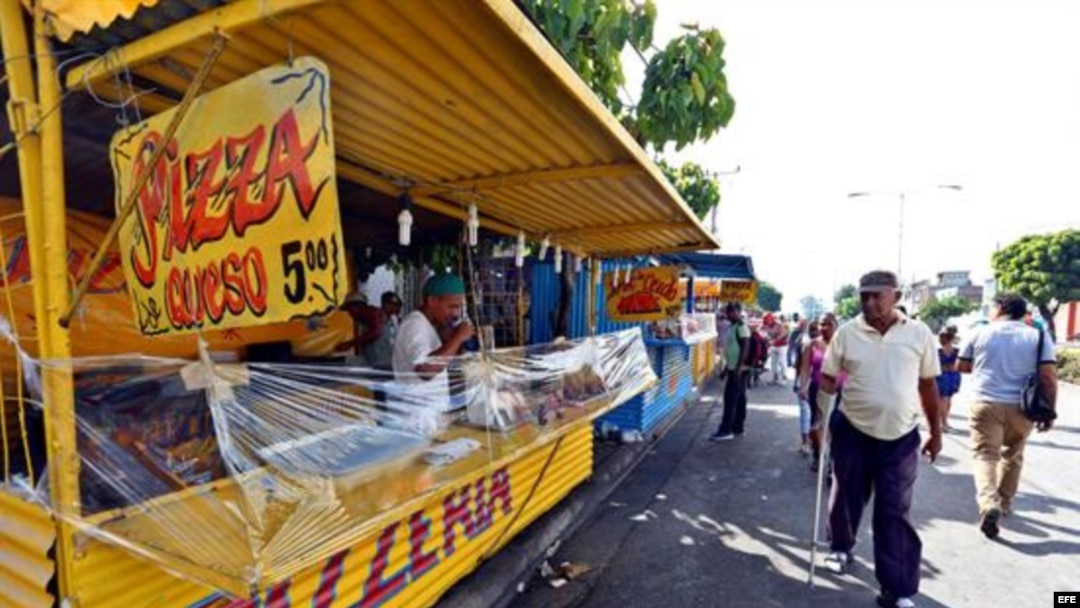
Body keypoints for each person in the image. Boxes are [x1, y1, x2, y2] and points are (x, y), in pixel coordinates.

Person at [817, 270, 942, 608]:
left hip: (901, 435)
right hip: (853, 429)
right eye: (864, 296)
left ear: (896, 296)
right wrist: (822, 411)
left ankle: (897, 588)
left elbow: (928, 384)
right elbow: (829, 377)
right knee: (846, 494)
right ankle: (841, 548)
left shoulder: (918, 333)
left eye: (877, 296)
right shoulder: (847, 332)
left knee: (894, 510)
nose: (870, 302)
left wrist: (936, 432)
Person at [957, 292, 1058, 539]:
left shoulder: (979, 332)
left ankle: (989, 503)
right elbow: (1048, 377)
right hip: (1023, 406)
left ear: (1000, 307)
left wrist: (986, 363)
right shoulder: (1038, 336)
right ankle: (1003, 503)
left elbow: (962, 365)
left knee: (985, 455)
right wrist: (1049, 410)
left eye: (991, 307)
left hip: (985, 403)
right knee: (1013, 454)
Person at [391, 273, 475, 429]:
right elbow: (426, 370)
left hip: (431, 416)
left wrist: (450, 338)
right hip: (416, 420)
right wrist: (457, 338)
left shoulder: (430, 326)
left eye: (458, 307)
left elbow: (442, 361)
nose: (455, 313)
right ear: (432, 300)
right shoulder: (414, 325)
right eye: (452, 306)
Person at [800, 313, 843, 472]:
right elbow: (805, 368)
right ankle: (818, 455)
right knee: (816, 425)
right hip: (817, 390)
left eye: (829, 324)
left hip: (840, 391)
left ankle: (833, 463)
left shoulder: (843, 346)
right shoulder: (812, 345)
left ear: (836, 325)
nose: (824, 328)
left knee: (835, 426)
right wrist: (803, 387)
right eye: (822, 324)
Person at [710, 302, 751, 441]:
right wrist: (727, 368)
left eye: (732, 312)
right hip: (734, 368)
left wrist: (739, 367)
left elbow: (745, 346)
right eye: (728, 312)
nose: (729, 315)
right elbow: (734, 348)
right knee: (738, 399)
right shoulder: (734, 326)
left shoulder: (741, 326)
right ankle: (737, 427)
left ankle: (726, 430)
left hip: (738, 370)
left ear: (739, 311)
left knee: (730, 400)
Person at [337, 291, 403, 370]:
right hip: (376, 363)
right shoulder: (382, 317)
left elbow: (375, 332)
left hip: (381, 364)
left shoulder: (371, 312)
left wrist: (349, 344)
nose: (350, 314)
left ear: (357, 306)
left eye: (350, 310)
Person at [794, 319, 821, 456]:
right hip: (805, 383)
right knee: (806, 414)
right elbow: (799, 364)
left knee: (816, 416)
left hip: (820, 385)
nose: (815, 332)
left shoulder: (828, 344)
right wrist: (798, 383)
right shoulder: (805, 343)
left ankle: (814, 445)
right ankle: (806, 443)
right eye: (812, 329)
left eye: (817, 329)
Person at [936, 328, 961, 433]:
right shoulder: (957, 351)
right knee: (947, 399)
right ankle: (944, 423)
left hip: (943, 376)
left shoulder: (938, 352)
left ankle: (944, 423)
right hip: (953, 376)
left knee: (944, 399)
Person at [762, 313, 790, 384]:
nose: (767, 323)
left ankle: (784, 378)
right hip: (774, 346)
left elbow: (784, 333)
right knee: (773, 363)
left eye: (767, 321)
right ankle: (775, 378)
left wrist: (774, 340)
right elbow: (766, 333)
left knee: (782, 362)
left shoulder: (779, 324)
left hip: (782, 346)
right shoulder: (766, 325)